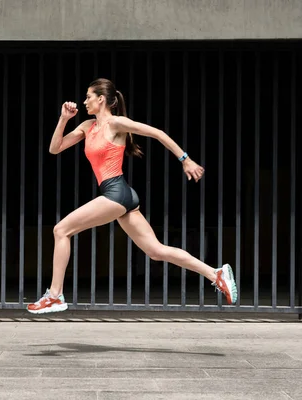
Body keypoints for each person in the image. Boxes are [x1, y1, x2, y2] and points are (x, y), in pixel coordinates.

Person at [27, 78, 237, 314]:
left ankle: (55, 295)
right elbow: (55, 148)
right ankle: (215, 273)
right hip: (121, 195)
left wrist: (185, 160)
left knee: (61, 230)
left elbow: (157, 133)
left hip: (116, 193)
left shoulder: (116, 123)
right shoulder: (87, 126)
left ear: (101, 99)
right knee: (156, 251)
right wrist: (64, 119)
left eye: (88, 97)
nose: (84, 101)